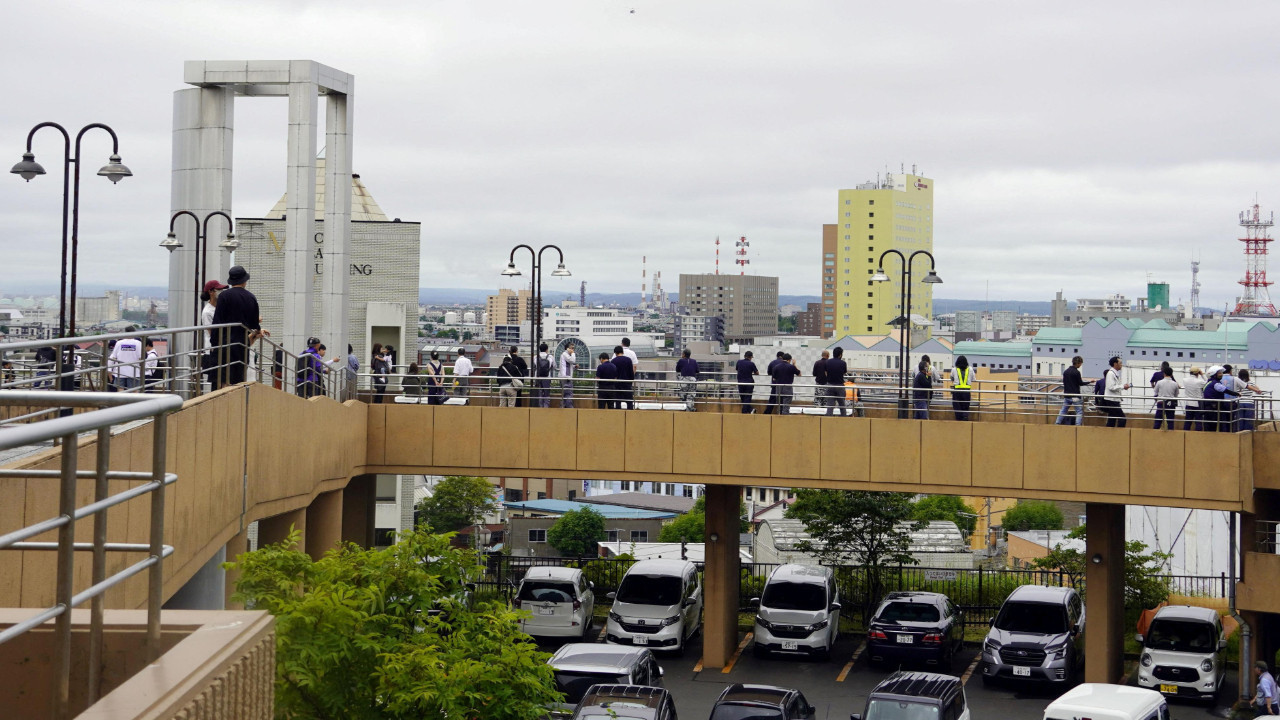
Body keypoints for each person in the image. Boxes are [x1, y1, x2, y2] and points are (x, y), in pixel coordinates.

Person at [210, 265, 266, 386]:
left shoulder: (224, 296)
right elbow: (254, 324)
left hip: (224, 343)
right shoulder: (251, 297)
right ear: (244, 281)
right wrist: (258, 331)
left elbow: (217, 322)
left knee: (222, 379)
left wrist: (214, 342)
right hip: (241, 343)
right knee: (238, 379)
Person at [200, 279, 228, 391]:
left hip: (221, 348)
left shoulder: (219, 308)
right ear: (211, 292)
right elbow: (212, 332)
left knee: (222, 379)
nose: (221, 292)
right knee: (217, 381)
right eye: (219, 289)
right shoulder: (207, 312)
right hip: (213, 349)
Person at [1101, 356, 1131, 427]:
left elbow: (1115, 386)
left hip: (1114, 399)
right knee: (1122, 418)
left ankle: (1109, 434)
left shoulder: (1115, 373)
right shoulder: (1111, 374)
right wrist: (1123, 386)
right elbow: (1111, 387)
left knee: (1112, 418)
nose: (1121, 365)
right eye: (1120, 363)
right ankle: (1120, 434)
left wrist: (1123, 387)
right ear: (1115, 364)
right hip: (1112, 400)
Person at [1056, 356, 1085, 426]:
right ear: (1078, 363)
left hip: (1067, 395)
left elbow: (1064, 382)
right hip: (1075, 395)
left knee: (1063, 410)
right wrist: (1089, 382)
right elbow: (1080, 383)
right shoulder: (1077, 372)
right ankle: (1077, 425)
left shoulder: (1066, 371)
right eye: (1080, 363)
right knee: (1079, 412)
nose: (1080, 365)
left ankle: (1057, 423)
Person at [826, 347, 849, 417]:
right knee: (842, 404)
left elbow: (826, 372)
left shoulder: (828, 362)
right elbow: (844, 372)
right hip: (839, 385)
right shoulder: (843, 363)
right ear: (840, 355)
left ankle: (828, 419)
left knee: (830, 404)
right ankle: (843, 418)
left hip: (830, 385)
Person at [1182, 367, 1206, 431]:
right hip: (1198, 402)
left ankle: (1185, 434)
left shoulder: (1185, 380)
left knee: (1188, 421)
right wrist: (1202, 375)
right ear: (1198, 373)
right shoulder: (1199, 381)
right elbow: (1208, 383)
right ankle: (1197, 436)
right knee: (1198, 421)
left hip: (1188, 402)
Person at [951, 355, 973, 421]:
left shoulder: (954, 369)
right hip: (966, 391)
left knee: (957, 406)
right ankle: (965, 419)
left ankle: (959, 419)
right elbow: (974, 378)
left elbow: (951, 377)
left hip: (957, 391)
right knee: (965, 406)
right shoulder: (970, 369)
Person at [533, 342, 553, 408]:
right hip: (547, 377)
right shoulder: (550, 357)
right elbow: (555, 366)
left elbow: (534, 366)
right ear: (547, 349)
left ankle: (540, 407)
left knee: (539, 392)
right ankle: (546, 407)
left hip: (538, 377)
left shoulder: (535, 357)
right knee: (546, 393)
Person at [559, 343, 577, 408]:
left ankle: (563, 407)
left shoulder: (566, 355)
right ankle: (569, 408)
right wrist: (573, 353)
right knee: (568, 394)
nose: (573, 350)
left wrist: (574, 366)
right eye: (571, 348)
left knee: (565, 394)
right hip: (566, 378)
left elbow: (568, 365)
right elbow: (572, 360)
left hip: (566, 377)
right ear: (567, 348)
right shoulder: (565, 354)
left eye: (573, 348)